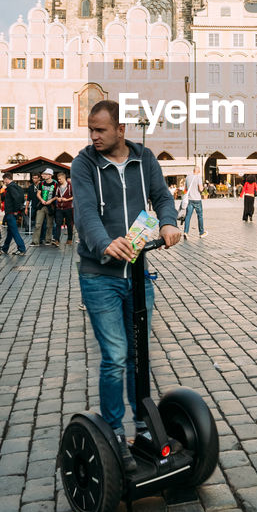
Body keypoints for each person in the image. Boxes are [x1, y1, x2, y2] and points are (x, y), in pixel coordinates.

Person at [72, 100, 181, 472]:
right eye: (91, 129)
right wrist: (103, 243)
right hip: (99, 276)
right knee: (116, 355)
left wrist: (168, 223)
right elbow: (85, 211)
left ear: (121, 130)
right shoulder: (84, 163)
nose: (93, 136)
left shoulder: (144, 158)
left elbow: (163, 196)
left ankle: (143, 426)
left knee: (139, 355)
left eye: (100, 129)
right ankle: (114, 432)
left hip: (137, 272)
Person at [0, 173, 28, 257]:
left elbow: (16, 198)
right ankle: (5, 248)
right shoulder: (17, 186)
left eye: (4, 180)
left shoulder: (10, 187)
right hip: (14, 212)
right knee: (10, 231)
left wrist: (15, 210)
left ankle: (22, 248)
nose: (4, 182)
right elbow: (22, 198)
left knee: (14, 231)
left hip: (11, 212)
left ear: (6, 179)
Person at [32, 169, 56, 245]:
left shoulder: (55, 184)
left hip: (50, 206)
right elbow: (38, 194)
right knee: (38, 224)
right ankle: (35, 241)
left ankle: (48, 240)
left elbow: (57, 195)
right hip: (41, 206)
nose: (43, 175)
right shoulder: (42, 183)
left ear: (50, 175)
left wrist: (51, 200)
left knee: (49, 225)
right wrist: (42, 200)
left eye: (45, 174)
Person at [183, 167, 206, 237]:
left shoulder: (187, 177)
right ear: (198, 171)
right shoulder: (198, 177)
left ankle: (185, 232)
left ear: (193, 171)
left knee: (188, 216)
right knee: (200, 216)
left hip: (189, 199)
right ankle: (201, 232)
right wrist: (204, 187)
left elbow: (186, 189)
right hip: (197, 199)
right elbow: (201, 189)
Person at [55, 171, 75, 246]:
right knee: (58, 223)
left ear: (64, 178)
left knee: (69, 224)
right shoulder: (58, 186)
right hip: (59, 207)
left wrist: (67, 199)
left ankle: (69, 239)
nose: (59, 180)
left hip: (68, 207)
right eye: (58, 179)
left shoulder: (70, 186)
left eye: (60, 179)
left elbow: (74, 196)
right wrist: (58, 199)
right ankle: (57, 239)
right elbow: (56, 195)